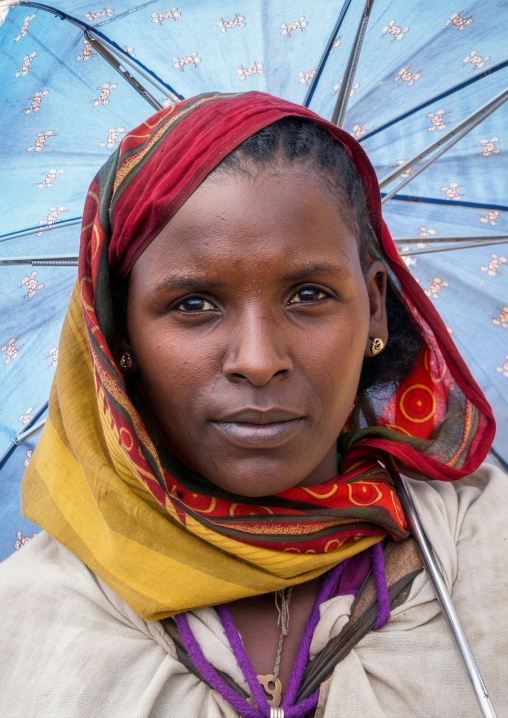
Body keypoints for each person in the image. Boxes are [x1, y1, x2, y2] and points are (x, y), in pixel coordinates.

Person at [0, 91, 506, 718]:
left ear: (374, 303)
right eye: (193, 304)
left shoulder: (485, 550)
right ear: (117, 332)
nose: (259, 359)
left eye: (310, 294)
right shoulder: (28, 621)